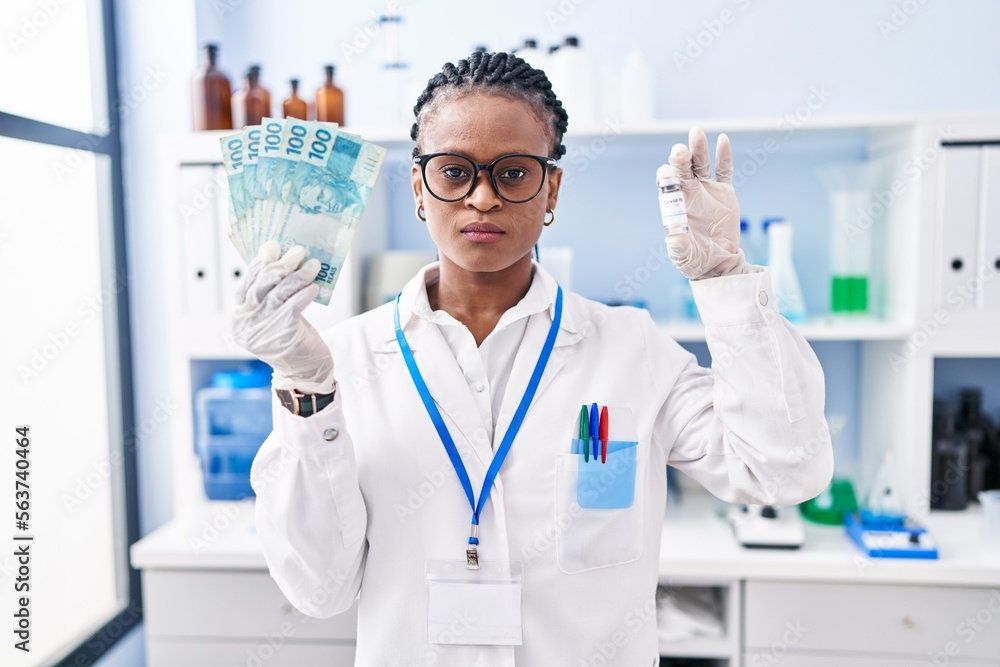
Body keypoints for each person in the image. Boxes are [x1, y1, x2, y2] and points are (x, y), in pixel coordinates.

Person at [235, 50, 833, 667]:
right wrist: (306, 391)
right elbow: (318, 590)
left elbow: (785, 472)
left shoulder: (632, 349)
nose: (484, 198)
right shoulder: (342, 363)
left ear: (551, 188)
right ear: (419, 186)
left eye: (514, 173)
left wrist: (725, 278)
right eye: (454, 171)